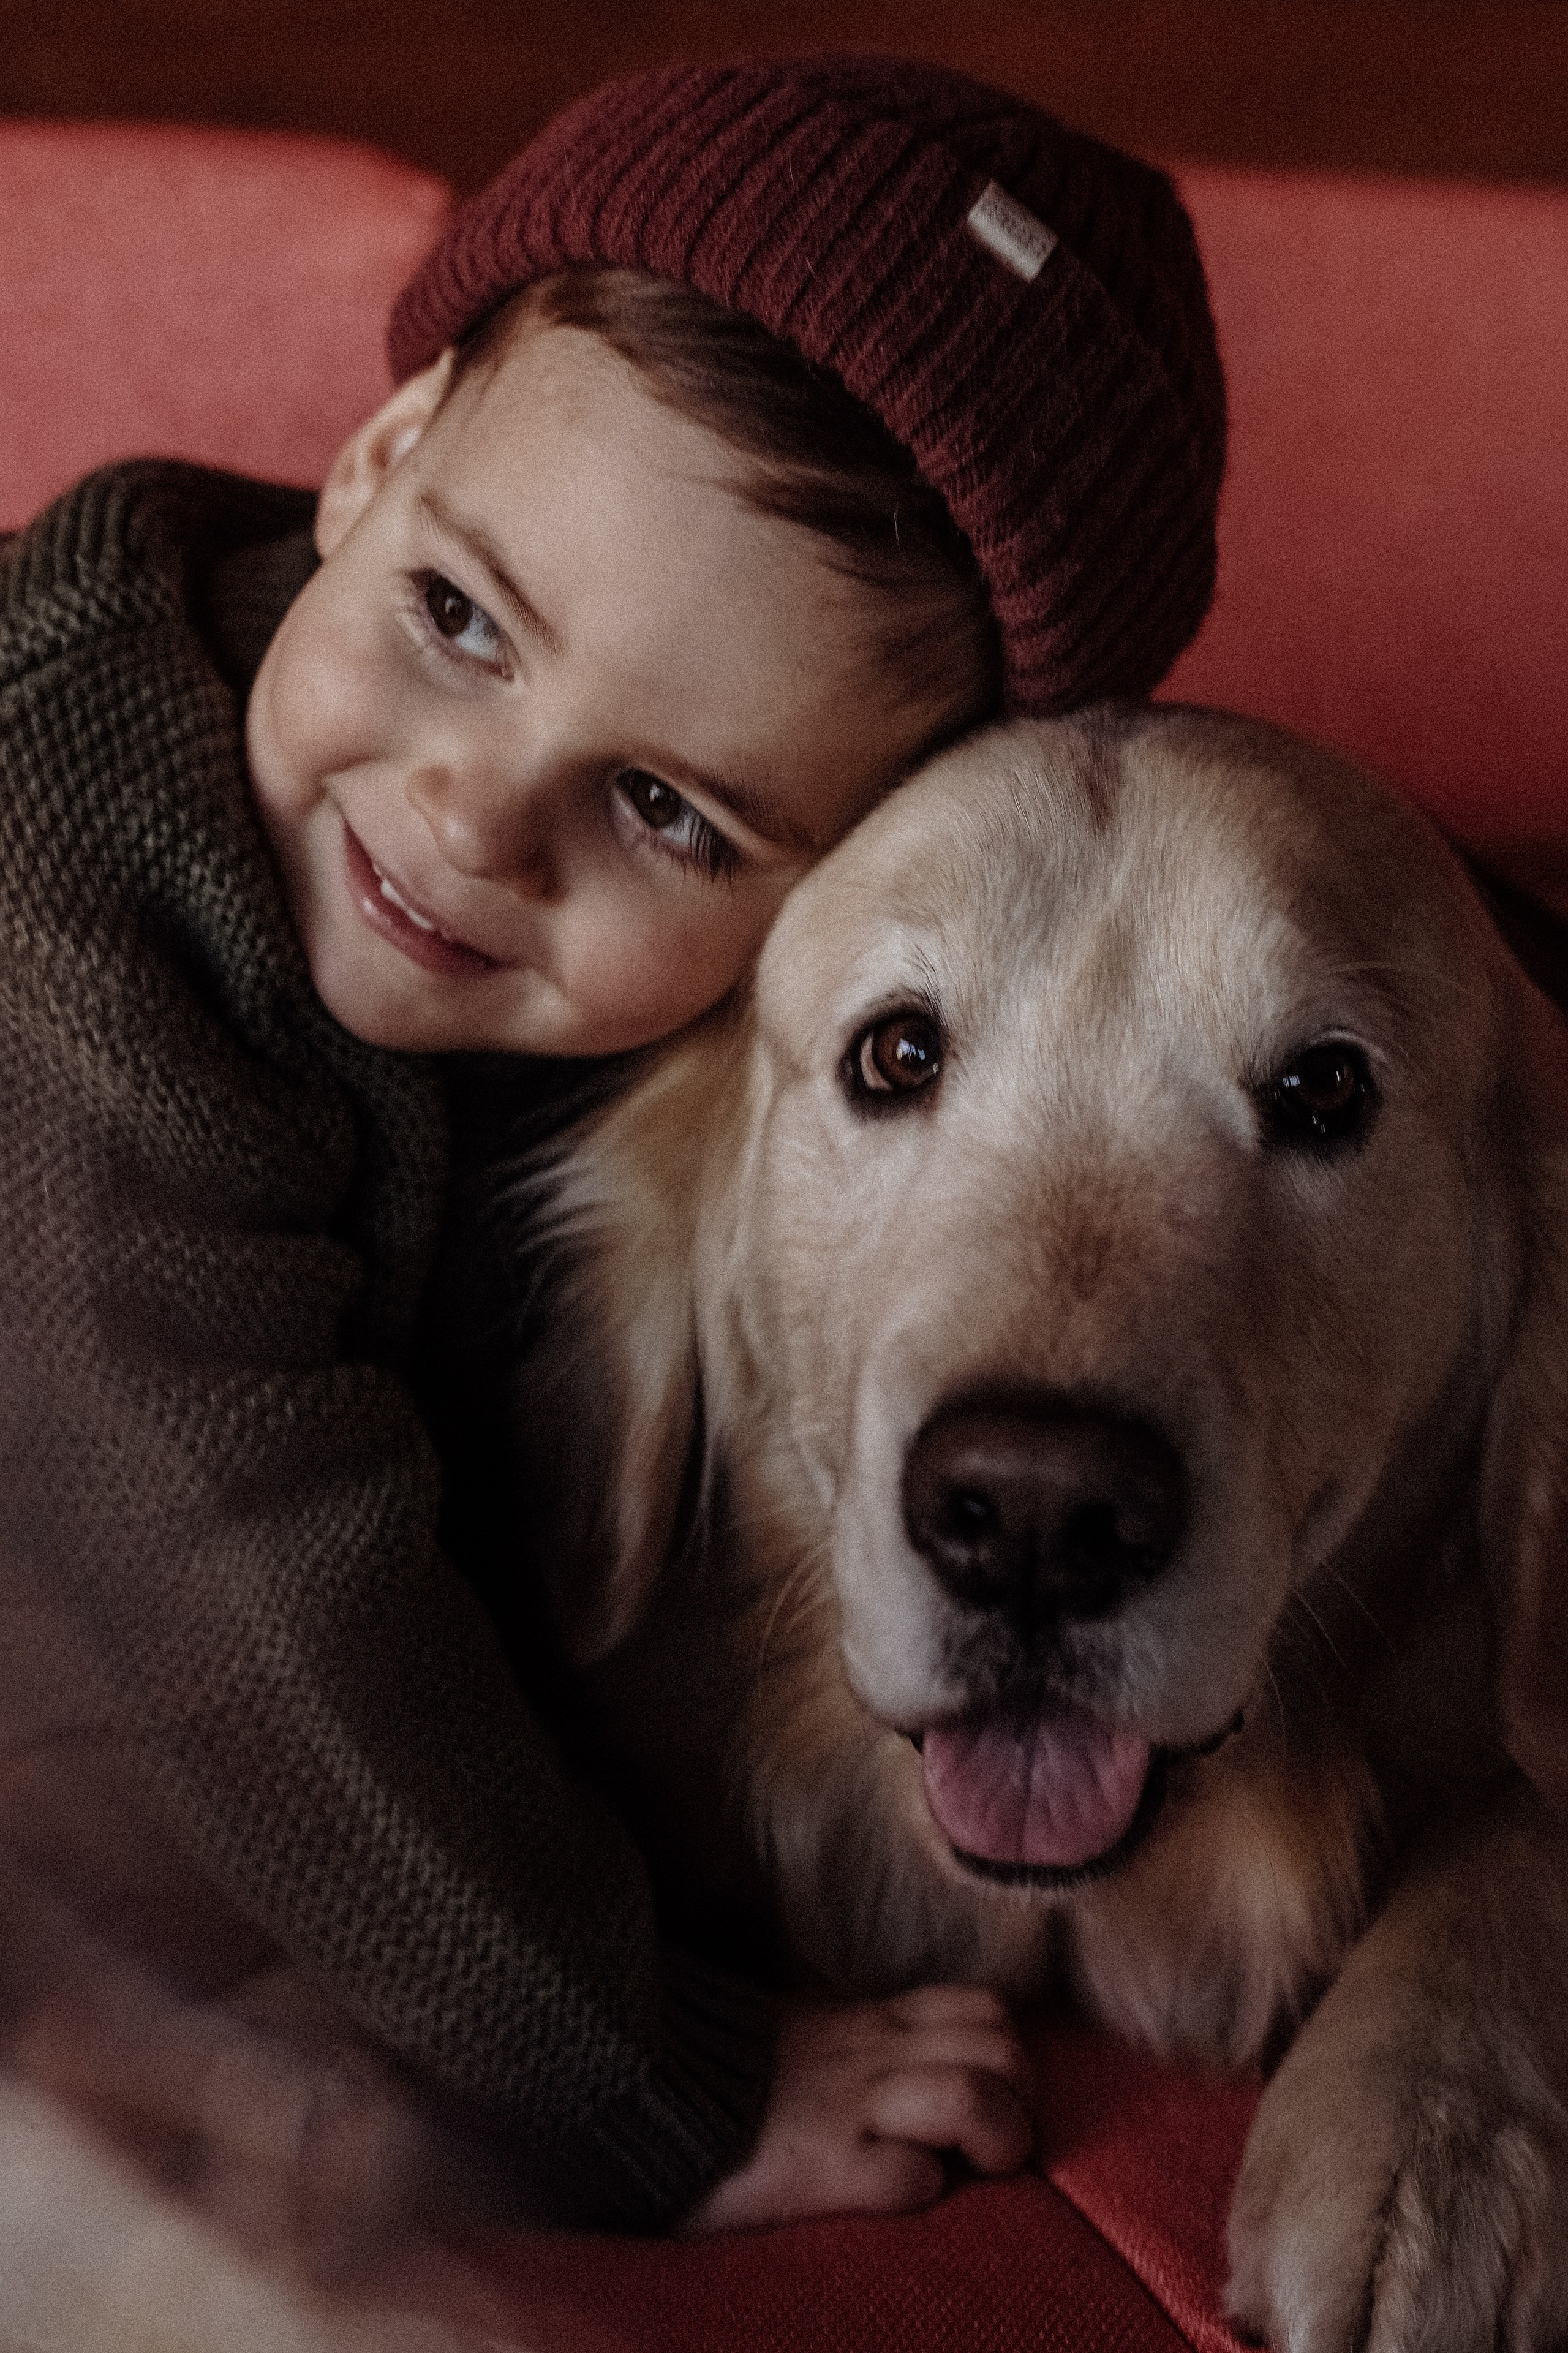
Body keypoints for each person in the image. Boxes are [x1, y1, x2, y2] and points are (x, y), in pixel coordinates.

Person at [0, 56, 1226, 2234]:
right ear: (375, 461)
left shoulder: (509, 934)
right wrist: (652, 2078)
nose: (474, 814)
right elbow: (246, 1568)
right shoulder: (68, 909)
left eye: (667, 807)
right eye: (459, 619)